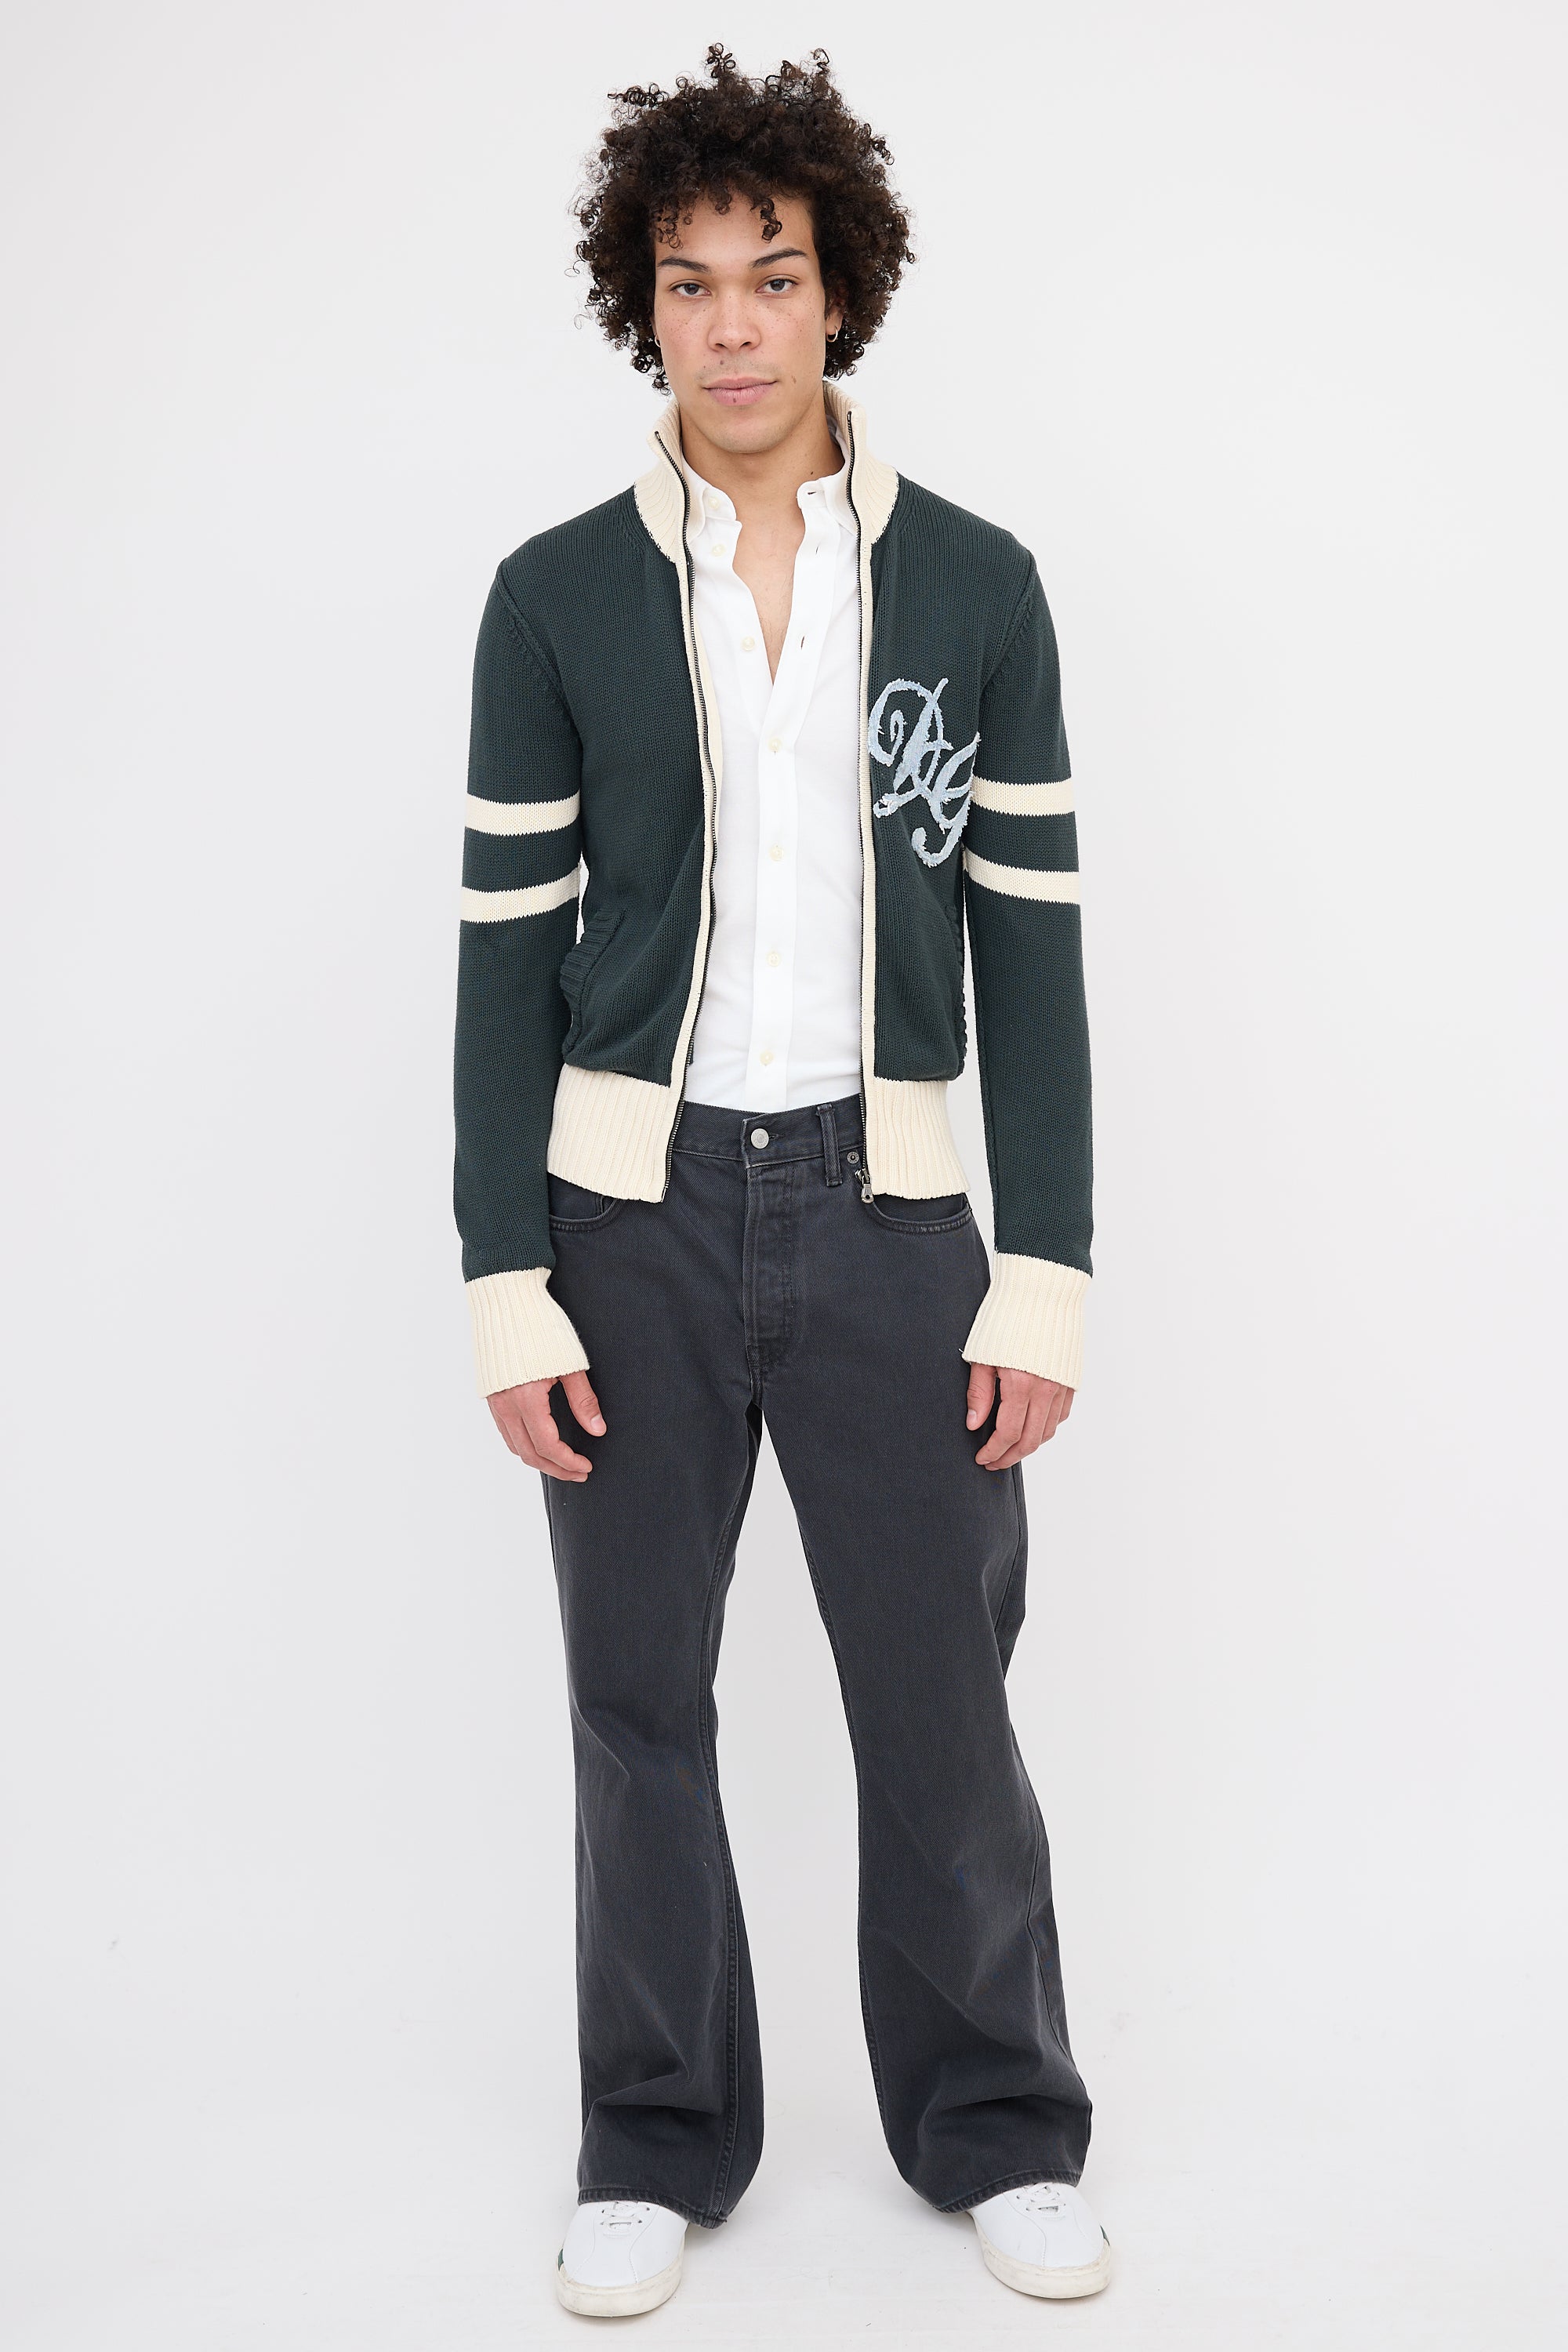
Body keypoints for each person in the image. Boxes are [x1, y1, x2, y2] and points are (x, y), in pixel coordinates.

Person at [453, 45, 1108, 2318]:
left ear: (844, 293)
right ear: (642, 306)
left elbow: (1032, 950)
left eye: (775, 276)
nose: (732, 326)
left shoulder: (979, 587)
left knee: (941, 1699)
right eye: (689, 282)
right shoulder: (551, 599)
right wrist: (506, 1278)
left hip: (893, 1218)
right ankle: (654, 2138)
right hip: (625, 1223)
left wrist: (1047, 1270)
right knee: (636, 1702)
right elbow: (502, 966)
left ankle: (998, 2124)